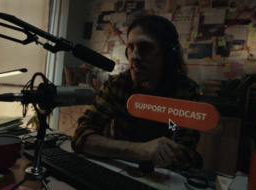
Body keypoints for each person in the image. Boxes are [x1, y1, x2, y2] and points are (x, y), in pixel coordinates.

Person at [71, 15, 201, 171]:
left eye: (145, 48)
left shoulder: (186, 92)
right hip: (121, 173)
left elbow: (186, 156)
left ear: (168, 53)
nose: (134, 57)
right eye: (131, 47)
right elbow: (80, 136)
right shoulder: (116, 85)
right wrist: (138, 150)